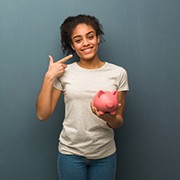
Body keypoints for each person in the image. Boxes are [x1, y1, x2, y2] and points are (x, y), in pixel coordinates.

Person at [36, 14, 129, 180]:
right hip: (70, 154)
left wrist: (108, 117)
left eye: (90, 37)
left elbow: (118, 121)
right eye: (78, 40)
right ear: (72, 45)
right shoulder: (64, 73)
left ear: (98, 38)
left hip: (104, 155)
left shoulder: (118, 73)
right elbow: (43, 114)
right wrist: (48, 77)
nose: (86, 43)